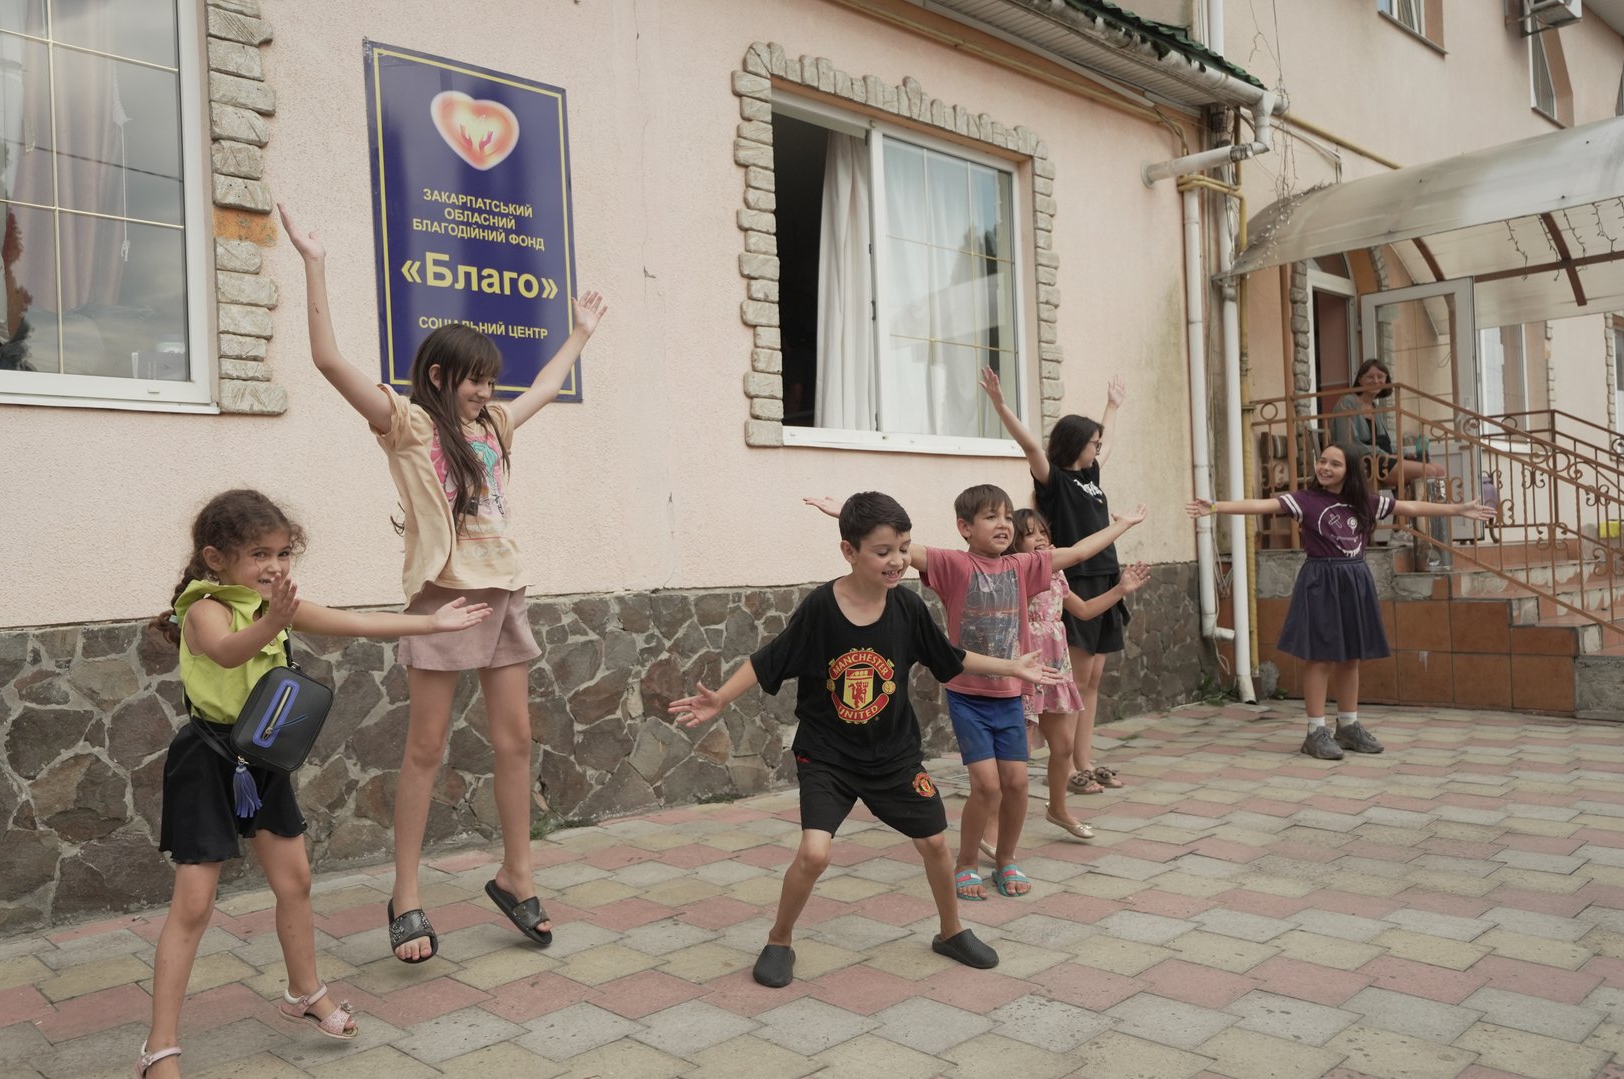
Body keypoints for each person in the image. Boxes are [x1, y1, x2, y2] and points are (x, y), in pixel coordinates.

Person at [280, 203, 607, 960]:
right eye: (474, 379)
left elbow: (545, 392)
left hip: (505, 594)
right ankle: (407, 893)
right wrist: (315, 262)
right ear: (439, 376)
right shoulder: (409, 426)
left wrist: (581, 334)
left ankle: (517, 875)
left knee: (515, 740)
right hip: (443, 602)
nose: (486, 390)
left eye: (491, 380)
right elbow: (330, 362)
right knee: (425, 748)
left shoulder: (493, 427)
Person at [138, 490, 490, 1078]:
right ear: (216, 558)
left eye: (282, 553)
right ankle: (159, 1048)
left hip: (262, 760)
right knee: (194, 905)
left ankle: (304, 992)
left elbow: (354, 622)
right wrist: (273, 621)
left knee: (296, 882)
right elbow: (225, 653)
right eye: (258, 553)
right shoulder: (204, 605)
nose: (275, 566)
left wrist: (434, 621)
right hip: (207, 763)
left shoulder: (273, 599)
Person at [670, 492, 1053, 987]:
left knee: (936, 845)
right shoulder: (821, 609)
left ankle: (951, 931)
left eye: (904, 548)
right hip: (828, 754)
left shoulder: (909, 609)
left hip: (893, 755)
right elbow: (769, 659)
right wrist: (719, 698)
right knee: (814, 853)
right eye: (883, 551)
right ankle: (779, 939)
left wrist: (1010, 666)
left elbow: (949, 656)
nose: (897, 561)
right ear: (849, 552)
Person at [806, 485, 1146, 902]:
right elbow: (890, 544)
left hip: (1010, 695)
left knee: (1018, 783)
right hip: (968, 694)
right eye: (990, 517)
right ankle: (965, 862)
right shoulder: (952, 565)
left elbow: (1076, 553)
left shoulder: (1024, 566)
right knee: (986, 785)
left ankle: (1006, 858)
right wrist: (841, 510)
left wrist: (1122, 526)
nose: (1003, 524)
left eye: (1007, 516)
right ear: (965, 527)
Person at [1187, 445, 1493, 760]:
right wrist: (1216, 506)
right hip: (1321, 581)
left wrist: (1458, 510)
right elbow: (1262, 505)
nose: (1326, 467)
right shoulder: (1306, 500)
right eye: (1322, 461)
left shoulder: (1365, 503)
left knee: (1351, 657)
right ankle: (1315, 731)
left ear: (1349, 471)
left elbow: (1411, 508)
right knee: (1320, 657)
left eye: (1335, 463)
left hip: (1355, 580)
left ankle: (1348, 726)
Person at [984, 370, 1131, 795]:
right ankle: (1065, 769)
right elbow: (1030, 444)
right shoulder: (1054, 481)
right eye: (1092, 443)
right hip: (1077, 579)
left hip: (1105, 574)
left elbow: (1110, 443)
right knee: (1074, 682)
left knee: (1094, 679)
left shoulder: (1091, 478)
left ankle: (1084, 760)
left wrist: (1113, 406)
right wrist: (999, 405)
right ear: (1074, 445)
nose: (1099, 449)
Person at [982, 508, 1151, 853]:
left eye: (1043, 531)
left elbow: (1085, 610)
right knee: (1015, 756)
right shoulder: (1015, 573)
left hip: (1055, 669)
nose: (1040, 537)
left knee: (1063, 747)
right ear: (1015, 542)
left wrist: (1121, 589)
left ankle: (1058, 809)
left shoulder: (1056, 575)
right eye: (1030, 533)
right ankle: (991, 826)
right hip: (1025, 670)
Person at [1330, 359, 1445, 488]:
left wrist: (1405, 454)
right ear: (1360, 380)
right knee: (1429, 471)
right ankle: (1422, 507)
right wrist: (1384, 454)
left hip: (1381, 459)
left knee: (1439, 470)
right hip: (1363, 461)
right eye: (1370, 377)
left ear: (1386, 381)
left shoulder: (1375, 407)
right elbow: (1347, 443)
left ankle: (1426, 506)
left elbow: (1384, 443)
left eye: (1380, 377)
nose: (1376, 381)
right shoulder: (1347, 403)